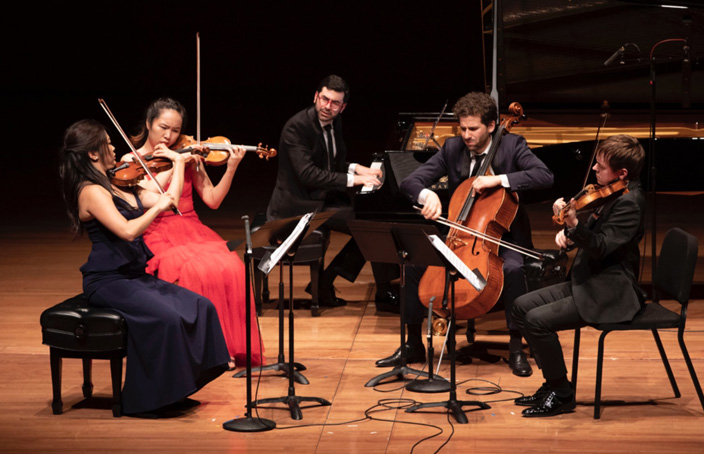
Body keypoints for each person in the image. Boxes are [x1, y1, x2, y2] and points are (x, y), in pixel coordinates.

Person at [58, 119, 230, 417]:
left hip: (133, 275)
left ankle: (178, 389)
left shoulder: (118, 181)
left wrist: (178, 164)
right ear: (93, 154)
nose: (114, 147)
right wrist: (158, 208)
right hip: (108, 281)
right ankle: (147, 401)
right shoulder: (91, 191)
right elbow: (127, 231)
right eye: (107, 143)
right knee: (167, 318)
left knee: (201, 306)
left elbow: (170, 201)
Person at [375, 92, 554, 377]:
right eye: (462, 128)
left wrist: (499, 180)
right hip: (461, 235)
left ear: (492, 126)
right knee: (413, 263)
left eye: (473, 129)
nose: (467, 135)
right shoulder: (453, 147)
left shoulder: (512, 145)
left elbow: (544, 176)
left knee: (512, 269)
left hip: (504, 236)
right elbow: (411, 181)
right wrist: (427, 195)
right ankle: (413, 343)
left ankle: (516, 348)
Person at [512, 134, 646, 417]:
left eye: (601, 166)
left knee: (536, 321)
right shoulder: (611, 193)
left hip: (609, 292)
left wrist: (574, 225)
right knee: (521, 306)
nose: (594, 169)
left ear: (622, 173)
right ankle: (553, 382)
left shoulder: (629, 203)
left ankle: (562, 393)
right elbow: (593, 235)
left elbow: (601, 247)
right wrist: (570, 234)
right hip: (589, 281)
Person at [127, 97, 264, 369]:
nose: (169, 136)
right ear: (148, 124)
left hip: (192, 228)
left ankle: (223, 347)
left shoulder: (187, 156)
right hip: (155, 230)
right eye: (163, 128)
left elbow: (213, 200)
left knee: (232, 266)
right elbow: (150, 197)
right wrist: (175, 164)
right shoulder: (131, 160)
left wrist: (231, 168)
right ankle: (199, 351)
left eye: (176, 131)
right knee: (193, 271)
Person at [266, 75, 398, 310]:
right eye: (324, 99)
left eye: (335, 103)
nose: (328, 106)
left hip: (321, 199)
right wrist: (354, 180)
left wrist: (357, 168)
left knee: (373, 222)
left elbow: (331, 162)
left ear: (342, 107)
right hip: (299, 206)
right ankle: (379, 291)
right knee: (371, 227)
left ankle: (327, 282)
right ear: (316, 97)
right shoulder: (297, 127)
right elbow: (308, 174)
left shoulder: (334, 122)